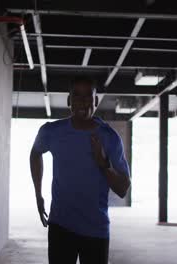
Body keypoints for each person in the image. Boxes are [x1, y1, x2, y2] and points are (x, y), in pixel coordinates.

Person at [30, 76, 131, 264]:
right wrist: (38, 194)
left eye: (88, 96)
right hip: (61, 226)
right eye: (76, 95)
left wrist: (104, 165)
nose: (82, 101)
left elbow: (123, 188)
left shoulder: (109, 138)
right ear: (69, 101)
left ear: (95, 101)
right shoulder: (51, 132)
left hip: (96, 230)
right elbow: (35, 153)